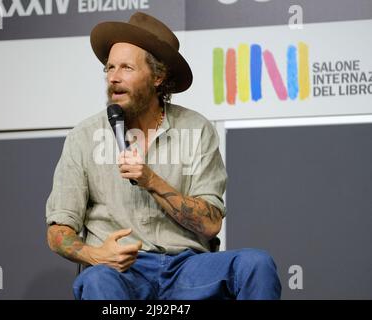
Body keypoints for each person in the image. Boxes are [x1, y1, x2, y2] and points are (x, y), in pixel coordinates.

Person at [45, 12, 281, 300]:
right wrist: (96, 255)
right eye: (109, 68)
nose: (114, 78)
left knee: (256, 264)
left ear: (158, 76)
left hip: (187, 268)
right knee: (97, 281)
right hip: (121, 273)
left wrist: (151, 180)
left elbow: (209, 223)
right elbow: (59, 230)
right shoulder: (83, 136)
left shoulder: (196, 128)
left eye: (127, 68)